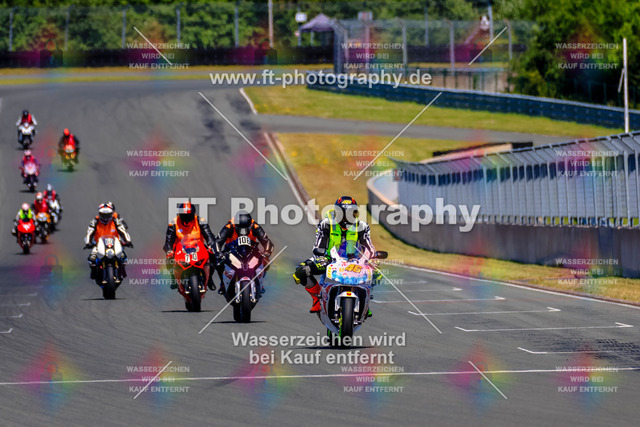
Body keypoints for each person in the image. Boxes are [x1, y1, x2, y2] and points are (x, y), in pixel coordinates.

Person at [293, 196, 376, 313]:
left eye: (352, 213)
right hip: (329, 259)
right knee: (301, 271)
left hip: (354, 261)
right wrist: (321, 258)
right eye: (345, 214)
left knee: (377, 272)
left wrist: (372, 258)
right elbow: (318, 245)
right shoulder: (326, 224)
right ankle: (316, 298)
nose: (348, 217)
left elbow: (369, 247)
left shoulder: (362, 226)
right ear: (338, 213)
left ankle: (364, 302)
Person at [215, 211, 274, 294]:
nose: (243, 232)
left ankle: (259, 281)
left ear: (250, 225)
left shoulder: (255, 226)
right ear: (236, 225)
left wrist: (266, 254)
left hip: (251, 249)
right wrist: (219, 254)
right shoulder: (229, 226)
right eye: (240, 229)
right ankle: (223, 284)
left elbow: (267, 241)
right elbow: (217, 241)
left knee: (265, 261)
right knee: (218, 262)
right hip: (231, 249)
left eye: (246, 229)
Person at [163, 201, 217, 290]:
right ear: (179, 215)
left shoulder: (200, 221)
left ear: (193, 214)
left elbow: (209, 236)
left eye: (189, 216)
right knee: (169, 258)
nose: (186, 219)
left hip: (198, 246)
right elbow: (168, 241)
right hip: (180, 248)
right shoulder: (173, 223)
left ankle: (209, 278)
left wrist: (211, 245)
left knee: (213, 255)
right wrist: (169, 250)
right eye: (184, 216)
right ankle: (173, 277)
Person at [84, 203, 133, 280]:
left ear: (112, 213)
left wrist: (128, 241)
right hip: (98, 244)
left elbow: (123, 231)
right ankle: (93, 272)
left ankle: (122, 271)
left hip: (115, 242)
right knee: (92, 259)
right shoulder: (94, 222)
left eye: (108, 214)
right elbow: (89, 233)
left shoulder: (116, 221)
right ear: (99, 213)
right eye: (103, 214)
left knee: (123, 257)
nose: (105, 217)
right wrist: (88, 243)